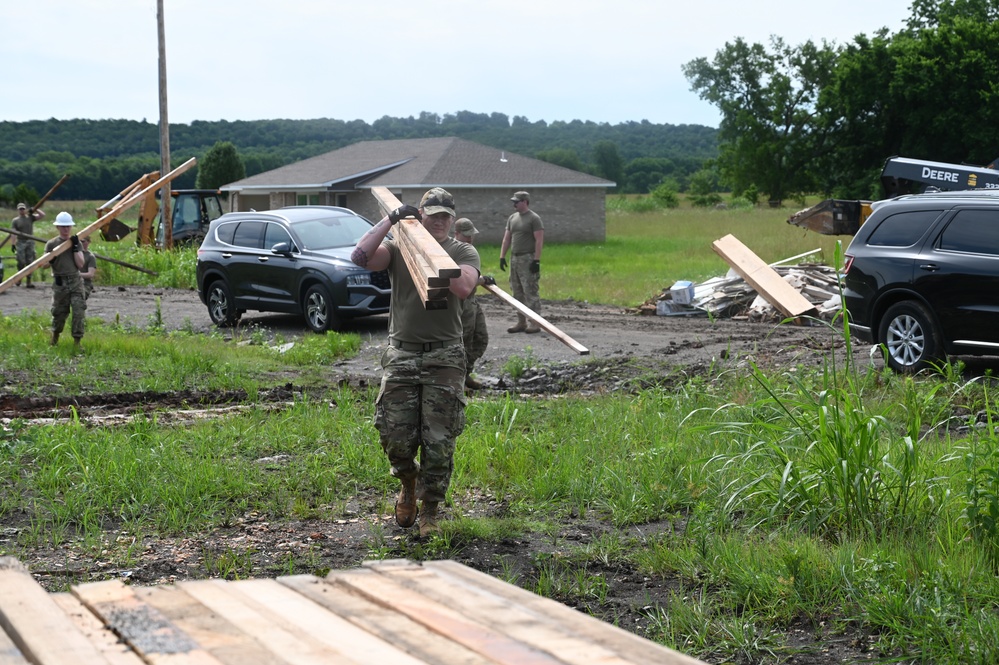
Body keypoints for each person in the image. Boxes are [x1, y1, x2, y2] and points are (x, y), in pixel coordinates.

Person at [350, 187, 480, 538]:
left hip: (445, 356)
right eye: (432, 214)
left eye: (445, 216)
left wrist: (434, 256)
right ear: (420, 215)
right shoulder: (396, 249)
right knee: (395, 435)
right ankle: (407, 482)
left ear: (452, 221)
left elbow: (465, 287)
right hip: (402, 354)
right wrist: (390, 221)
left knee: (439, 441)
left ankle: (431, 511)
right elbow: (359, 257)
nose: (438, 220)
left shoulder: (461, 249)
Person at [453, 218, 494, 390]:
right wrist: (483, 280)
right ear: (457, 234)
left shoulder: (469, 250)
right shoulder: (452, 251)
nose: (470, 238)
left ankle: (466, 373)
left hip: (472, 302)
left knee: (481, 338)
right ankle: (457, 379)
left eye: (472, 235)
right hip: (460, 304)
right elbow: (460, 280)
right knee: (464, 341)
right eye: (466, 235)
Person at [498, 190, 543, 333]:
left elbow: (539, 240)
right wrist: (502, 256)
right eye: (513, 202)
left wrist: (536, 260)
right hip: (515, 258)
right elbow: (507, 238)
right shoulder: (512, 218)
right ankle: (521, 321)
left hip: (527, 258)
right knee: (517, 291)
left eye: (516, 202)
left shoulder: (534, 218)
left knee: (530, 290)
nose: (514, 205)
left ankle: (535, 323)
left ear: (525, 202)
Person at [44, 212, 87, 349]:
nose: (66, 229)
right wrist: (53, 257)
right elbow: (43, 265)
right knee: (59, 313)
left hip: (75, 281)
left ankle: (77, 343)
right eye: (63, 226)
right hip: (60, 282)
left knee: (78, 311)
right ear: (58, 227)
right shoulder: (51, 244)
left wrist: (75, 247)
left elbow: (80, 264)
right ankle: (55, 338)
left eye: (68, 226)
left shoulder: (76, 242)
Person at [12, 202, 45, 288]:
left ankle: (28, 282)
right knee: (21, 261)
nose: (22, 210)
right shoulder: (15, 220)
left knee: (30, 262)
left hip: (30, 242)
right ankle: (19, 278)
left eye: (23, 209)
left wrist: (35, 209)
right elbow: (13, 233)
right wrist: (13, 243)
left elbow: (42, 215)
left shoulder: (30, 217)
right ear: (18, 210)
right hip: (20, 242)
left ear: (25, 209)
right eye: (20, 209)